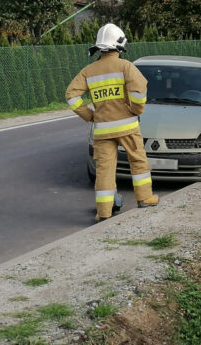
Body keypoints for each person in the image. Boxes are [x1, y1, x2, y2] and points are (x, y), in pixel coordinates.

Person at [65, 23, 159, 222]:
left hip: (102, 131)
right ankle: (145, 198)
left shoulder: (88, 71)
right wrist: (135, 109)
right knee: (138, 161)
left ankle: (104, 212)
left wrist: (89, 115)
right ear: (119, 45)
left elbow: (71, 95)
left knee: (104, 170)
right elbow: (139, 90)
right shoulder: (126, 66)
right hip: (128, 127)